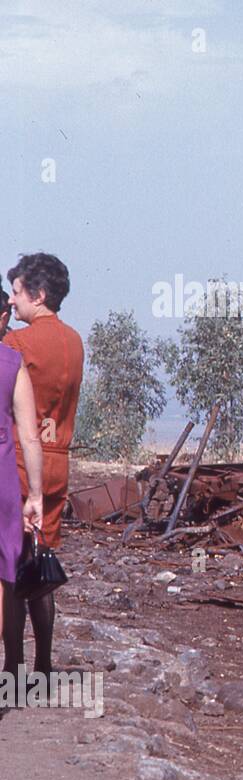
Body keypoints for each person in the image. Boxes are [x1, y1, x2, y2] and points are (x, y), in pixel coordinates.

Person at [1, 255, 82, 679]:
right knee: (42, 559)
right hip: (58, 462)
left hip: (18, 461)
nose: (12, 304)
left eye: (16, 293)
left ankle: (13, 668)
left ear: (39, 295)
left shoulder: (18, 346)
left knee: (13, 568)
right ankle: (45, 662)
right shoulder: (74, 341)